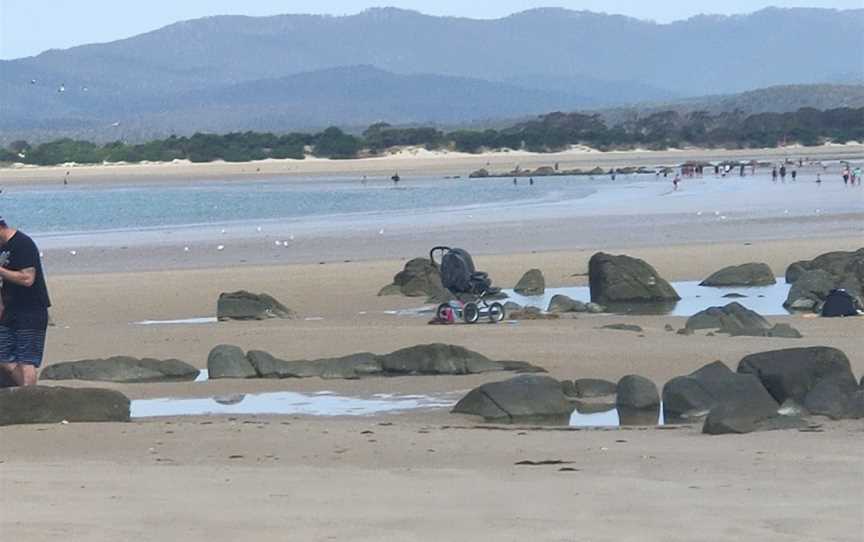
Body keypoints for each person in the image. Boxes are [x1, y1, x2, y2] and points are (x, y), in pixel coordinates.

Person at [0, 218, 51, 386]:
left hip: (31, 309)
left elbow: (28, 278)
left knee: (26, 360)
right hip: (11, 309)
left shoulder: (22, 244)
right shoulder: (2, 247)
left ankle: (29, 401)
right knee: (3, 355)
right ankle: (26, 393)